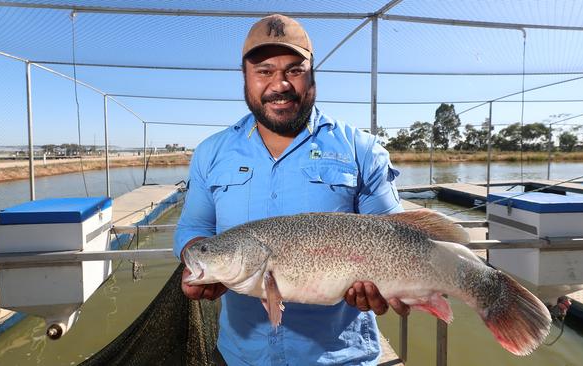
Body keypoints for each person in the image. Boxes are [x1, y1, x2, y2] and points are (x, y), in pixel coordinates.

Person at [174, 14, 408, 365]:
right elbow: (194, 227)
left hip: (342, 358)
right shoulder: (211, 152)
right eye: (265, 71)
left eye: (294, 70)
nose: (280, 84)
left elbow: (399, 239)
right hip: (240, 356)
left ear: (313, 75)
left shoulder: (362, 149)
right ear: (245, 77)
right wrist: (198, 255)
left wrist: (385, 288)